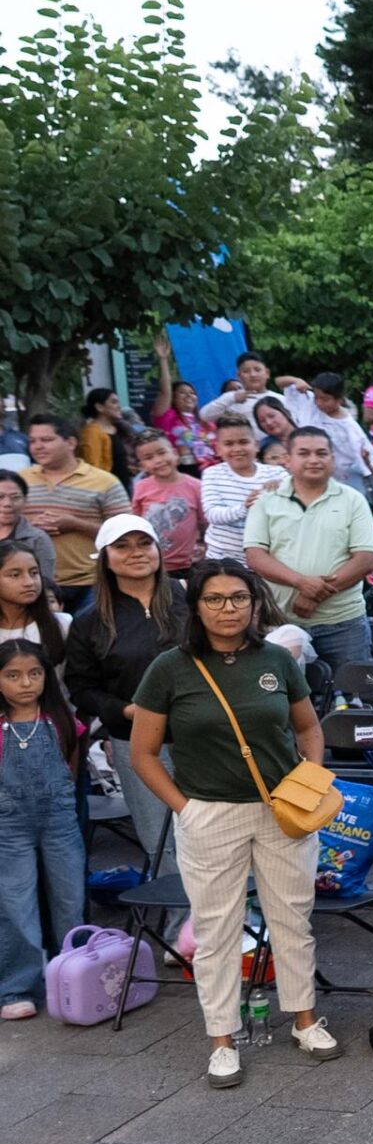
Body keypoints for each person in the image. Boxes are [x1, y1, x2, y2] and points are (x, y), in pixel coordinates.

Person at [126, 561, 340, 1086]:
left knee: (292, 917)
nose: (229, 609)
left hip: (282, 811)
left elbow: (309, 728)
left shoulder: (276, 660)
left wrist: (308, 781)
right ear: (195, 606)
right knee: (217, 931)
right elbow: (144, 754)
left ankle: (305, 1019)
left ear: (255, 602)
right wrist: (185, 808)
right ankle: (222, 1038)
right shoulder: (170, 668)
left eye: (239, 598)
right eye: (216, 599)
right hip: (209, 812)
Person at [65, 515, 188, 865]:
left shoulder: (191, 598)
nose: (136, 553)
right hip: (136, 742)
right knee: (161, 841)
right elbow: (82, 688)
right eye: (122, 546)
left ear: (158, 550)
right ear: (105, 556)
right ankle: (180, 922)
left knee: (218, 830)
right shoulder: (90, 622)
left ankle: (233, 918)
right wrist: (124, 711)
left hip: (204, 735)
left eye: (144, 543)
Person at [243, 427, 373, 676]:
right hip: (280, 620)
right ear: (288, 459)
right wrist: (301, 583)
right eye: (304, 453)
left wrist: (314, 595)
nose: (314, 460)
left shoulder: (353, 499)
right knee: (282, 699)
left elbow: (365, 559)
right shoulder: (266, 499)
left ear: (333, 459)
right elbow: (255, 556)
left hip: (343, 622)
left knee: (353, 701)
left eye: (321, 453)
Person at [0, 638, 82, 1018]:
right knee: (16, 904)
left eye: (34, 673)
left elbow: (72, 769)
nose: (25, 683)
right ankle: (17, 987)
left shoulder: (61, 721)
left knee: (70, 898)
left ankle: (78, 975)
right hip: (8, 827)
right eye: (12, 675)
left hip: (59, 822)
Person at [20, 412, 131, 607]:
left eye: (46, 439)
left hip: (93, 582)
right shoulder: (19, 482)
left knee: (91, 637)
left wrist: (75, 524)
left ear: (71, 443)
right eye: (32, 441)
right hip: (34, 584)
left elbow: (126, 532)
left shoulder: (104, 481)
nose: (38, 446)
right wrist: (29, 528)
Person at [127, 433, 204, 571]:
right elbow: (137, 523)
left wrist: (203, 545)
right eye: (149, 458)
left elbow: (205, 523)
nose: (158, 460)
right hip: (152, 565)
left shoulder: (196, 486)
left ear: (175, 453)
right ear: (142, 465)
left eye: (162, 453)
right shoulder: (141, 487)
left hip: (188, 564)